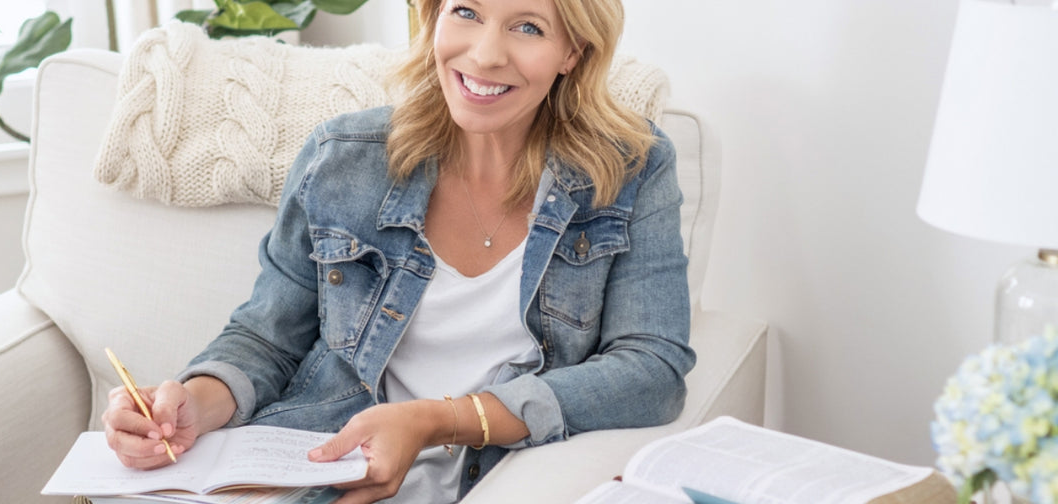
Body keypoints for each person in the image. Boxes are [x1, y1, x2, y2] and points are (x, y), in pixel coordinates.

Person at [102, 0, 695, 501]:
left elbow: (652, 370)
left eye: (528, 26)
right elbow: (266, 338)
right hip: (322, 469)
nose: (486, 54)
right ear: (433, 18)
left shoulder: (631, 167)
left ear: (573, 53)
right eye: (465, 11)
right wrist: (191, 407)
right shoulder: (341, 157)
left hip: (506, 479)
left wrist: (439, 420)